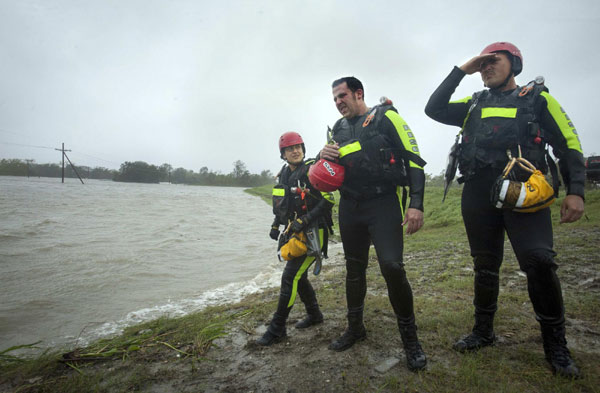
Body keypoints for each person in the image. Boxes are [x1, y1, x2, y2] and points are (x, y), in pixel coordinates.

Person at [424, 42, 585, 378]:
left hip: (524, 191)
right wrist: (461, 70)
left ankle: (555, 345)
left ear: (514, 63)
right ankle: (483, 332)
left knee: (539, 261)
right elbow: (433, 109)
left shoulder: (538, 99)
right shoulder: (474, 103)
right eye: (481, 65)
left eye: (492, 61)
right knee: (485, 264)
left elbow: (569, 143)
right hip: (479, 193)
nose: (485, 68)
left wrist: (576, 192)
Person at [319, 77, 428, 371]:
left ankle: (410, 341)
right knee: (354, 268)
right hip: (350, 206)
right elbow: (328, 169)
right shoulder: (337, 129)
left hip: (383, 204)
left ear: (358, 93)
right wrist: (321, 155)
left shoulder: (386, 117)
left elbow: (415, 160)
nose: (338, 101)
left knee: (392, 267)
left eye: (342, 95)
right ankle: (355, 328)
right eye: (334, 99)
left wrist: (415, 204)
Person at [256, 131, 334, 346]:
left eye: (298, 146)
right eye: (290, 148)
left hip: (313, 232)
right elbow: (282, 204)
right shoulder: (282, 174)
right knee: (299, 277)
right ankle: (315, 314)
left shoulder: (312, 170)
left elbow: (329, 199)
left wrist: (305, 220)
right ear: (283, 154)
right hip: (294, 232)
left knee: (290, 277)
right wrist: (275, 225)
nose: (295, 150)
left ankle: (277, 328)